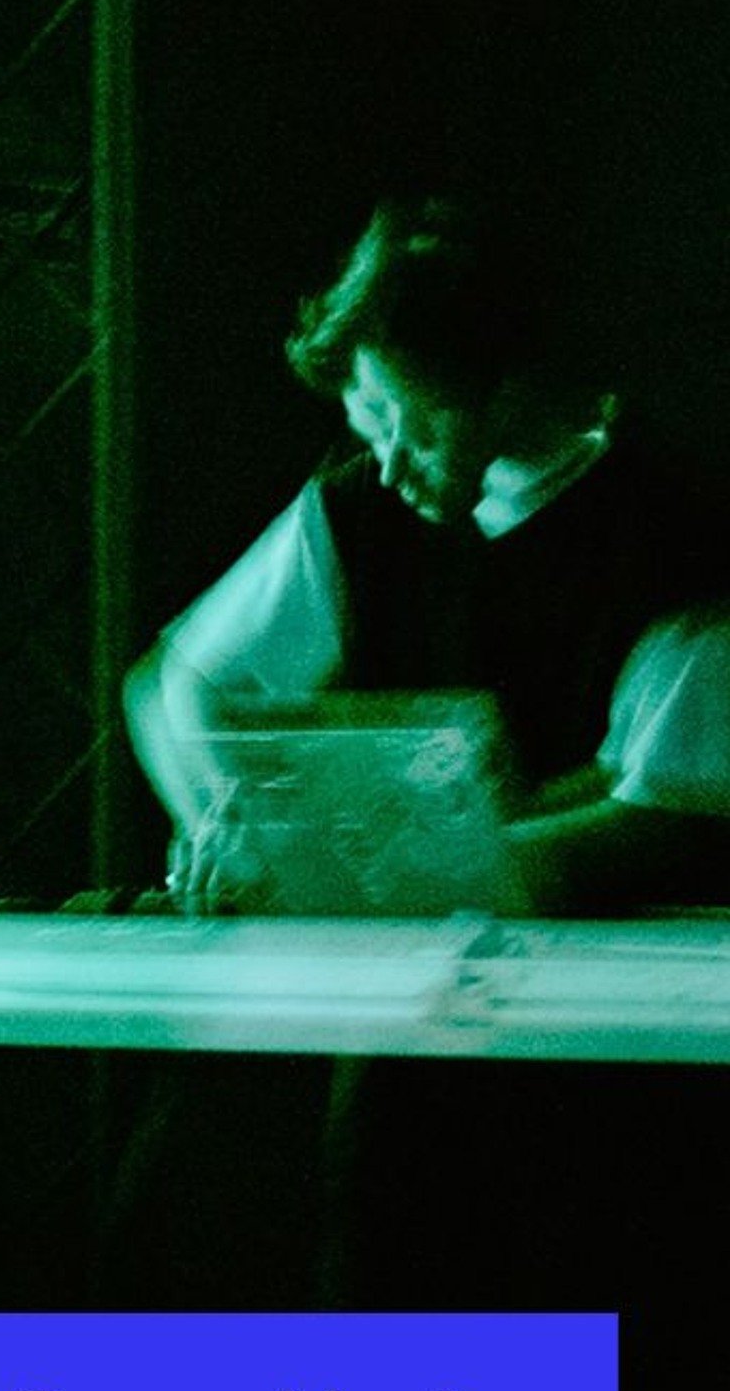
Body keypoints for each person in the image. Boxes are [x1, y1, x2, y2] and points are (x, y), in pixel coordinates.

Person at [127, 195, 730, 915]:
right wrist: (223, 825)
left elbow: (658, 823)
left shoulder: (675, 537)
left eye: (408, 423)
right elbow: (175, 687)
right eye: (371, 425)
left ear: (501, 381)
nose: (388, 465)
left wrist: (350, 877)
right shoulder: (356, 509)